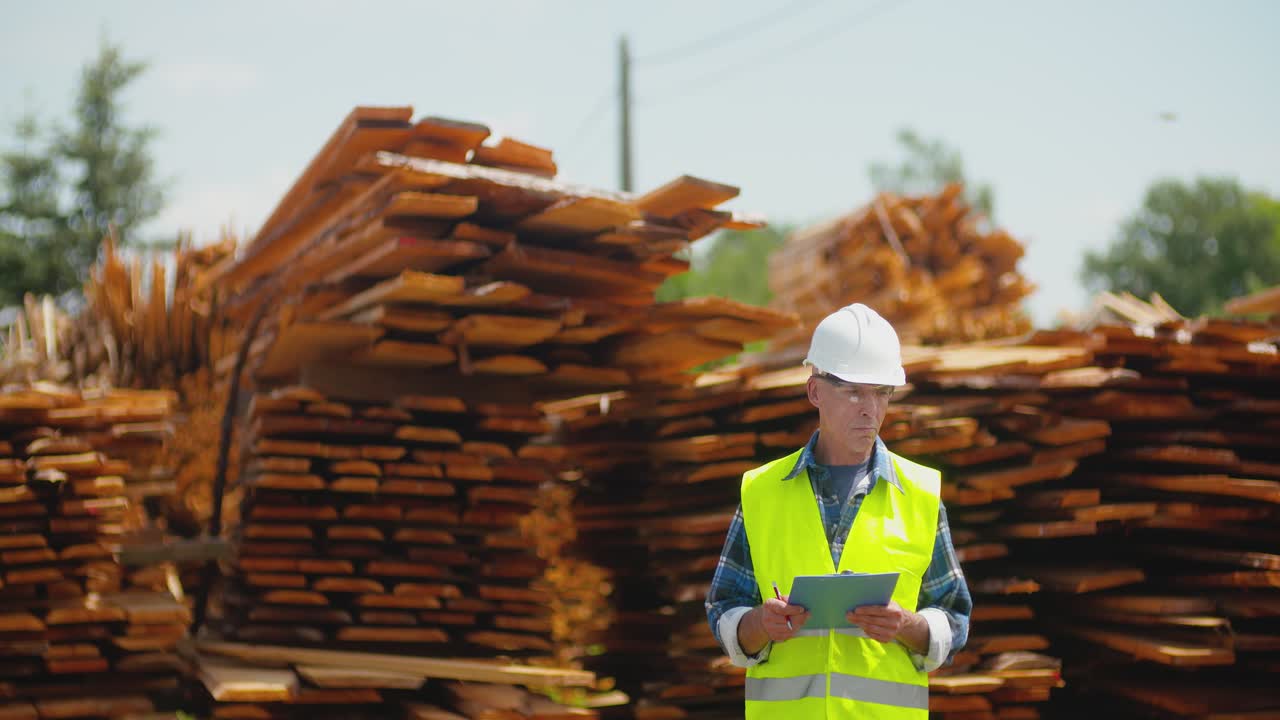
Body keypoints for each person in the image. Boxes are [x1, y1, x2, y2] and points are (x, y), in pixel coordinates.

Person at [706, 303, 971, 719]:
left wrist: (907, 625)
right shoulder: (762, 491)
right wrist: (759, 624)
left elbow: (954, 616)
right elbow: (723, 608)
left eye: (881, 393)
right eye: (853, 391)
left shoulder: (920, 494)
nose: (870, 410)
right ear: (815, 391)